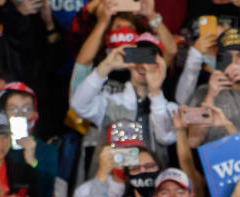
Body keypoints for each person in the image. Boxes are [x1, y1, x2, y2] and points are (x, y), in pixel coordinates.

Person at [70, 32, 178, 164]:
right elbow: (78, 104)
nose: (143, 65)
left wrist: (156, 92)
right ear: (129, 61)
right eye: (138, 56)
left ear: (160, 65)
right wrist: (106, 66)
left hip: (153, 180)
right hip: (112, 181)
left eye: (150, 58)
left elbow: (166, 137)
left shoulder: (170, 108)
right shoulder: (111, 101)